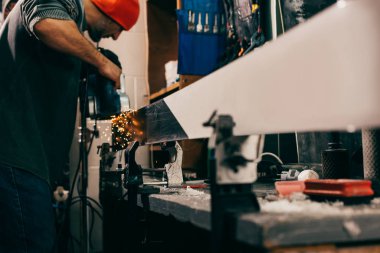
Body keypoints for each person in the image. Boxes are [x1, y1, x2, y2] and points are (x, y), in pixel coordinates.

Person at [0, 0, 139, 252]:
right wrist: (101, 62)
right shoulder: (67, 4)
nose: (116, 36)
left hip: (25, 161)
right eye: (121, 28)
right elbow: (44, 21)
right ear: (110, 11)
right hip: (16, 157)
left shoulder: (71, 33)